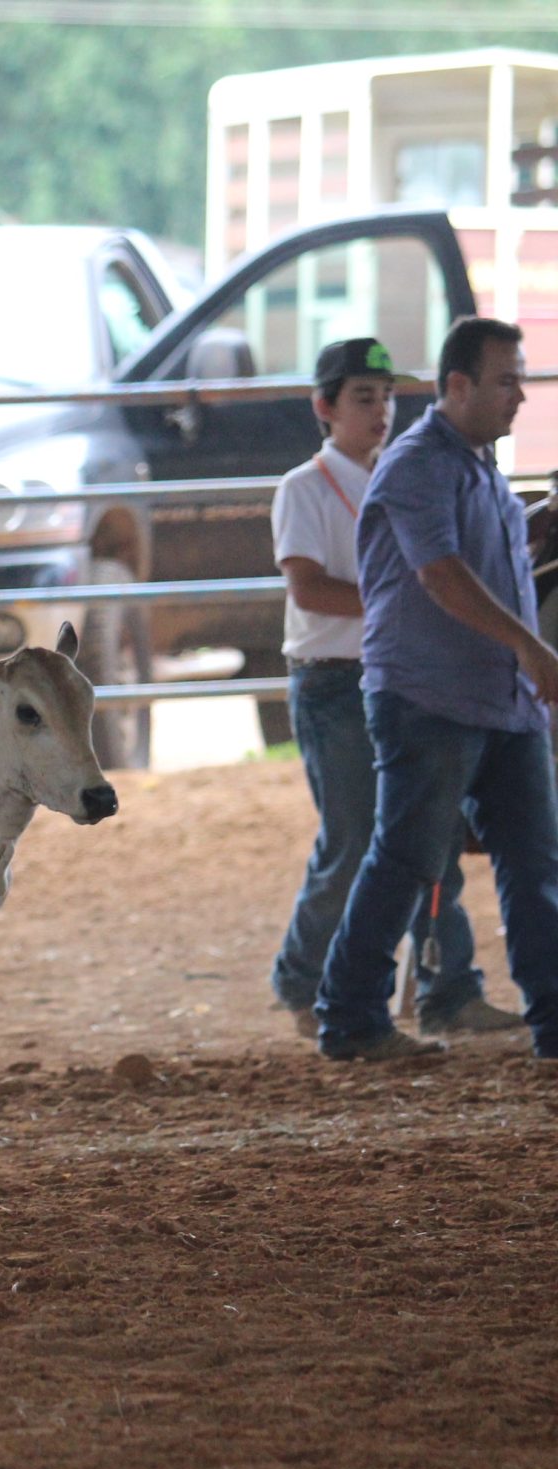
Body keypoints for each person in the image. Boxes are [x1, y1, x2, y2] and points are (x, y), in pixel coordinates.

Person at [314, 317, 558, 1062]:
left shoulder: (479, 466)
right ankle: (349, 1013)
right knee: (408, 855)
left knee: (534, 859)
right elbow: (441, 573)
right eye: (507, 380)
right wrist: (528, 643)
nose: (521, 395)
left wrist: (546, 522)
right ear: (459, 385)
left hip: (498, 698)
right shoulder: (420, 463)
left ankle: (554, 1018)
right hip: (429, 695)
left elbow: (497, 557)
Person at [268, 338, 519, 1040]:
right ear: (325, 407)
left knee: (422, 835)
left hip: (389, 675)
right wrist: (406, 599)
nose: (381, 411)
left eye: (388, 397)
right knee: (357, 837)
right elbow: (308, 587)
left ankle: (446, 983)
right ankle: (306, 976)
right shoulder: (305, 488)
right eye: (364, 398)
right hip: (331, 680)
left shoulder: (403, 475)